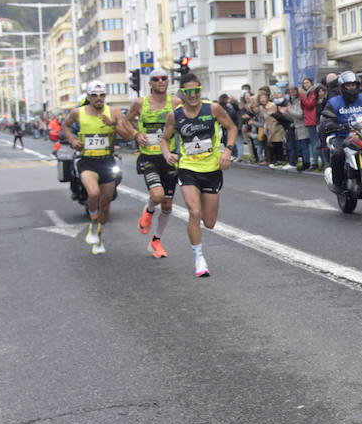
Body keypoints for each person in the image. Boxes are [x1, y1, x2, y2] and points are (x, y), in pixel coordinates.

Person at [159, 73, 237, 277]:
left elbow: (232, 128)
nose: (193, 95)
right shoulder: (175, 115)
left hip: (211, 170)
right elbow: (164, 138)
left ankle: (199, 233)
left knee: (209, 222)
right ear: (182, 93)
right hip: (188, 170)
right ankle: (199, 259)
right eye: (188, 92)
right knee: (194, 213)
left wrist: (227, 151)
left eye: (196, 90)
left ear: (200, 90)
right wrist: (167, 154)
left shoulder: (212, 108)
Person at [61, 80, 136, 255]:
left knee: (106, 205)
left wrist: (113, 125)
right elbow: (65, 126)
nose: (98, 99)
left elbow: (127, 136)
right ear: (88, 97)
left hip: (107, 161)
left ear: (105, 96)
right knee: (93, 193)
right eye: (94, 95)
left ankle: (98, 234)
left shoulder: (114, 112)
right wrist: (72, 140)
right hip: (87, 161)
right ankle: (93, 221)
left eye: (102, 95)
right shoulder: (78, 113)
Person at [126, 72, 182, 258]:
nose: (161, 82)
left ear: (168, 81)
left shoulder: (175, 103)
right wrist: (136, 134)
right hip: (149, 157)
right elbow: (126, 122)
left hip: (169, 158)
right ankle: (149, 210)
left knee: (167, 205)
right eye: (156, 79)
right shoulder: (140, 103)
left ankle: (156, 240)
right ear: (150, 83)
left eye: (164, 78)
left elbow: (185, 122)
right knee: (157, 196)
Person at [318, 71, 362, 193]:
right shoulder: (334, 102)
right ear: (342, 87)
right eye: (348, 85)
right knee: (338, 153)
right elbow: (326, 117)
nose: (351, 88)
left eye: (353, 85)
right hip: (341, 135)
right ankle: (337, 182)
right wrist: (331, 124)